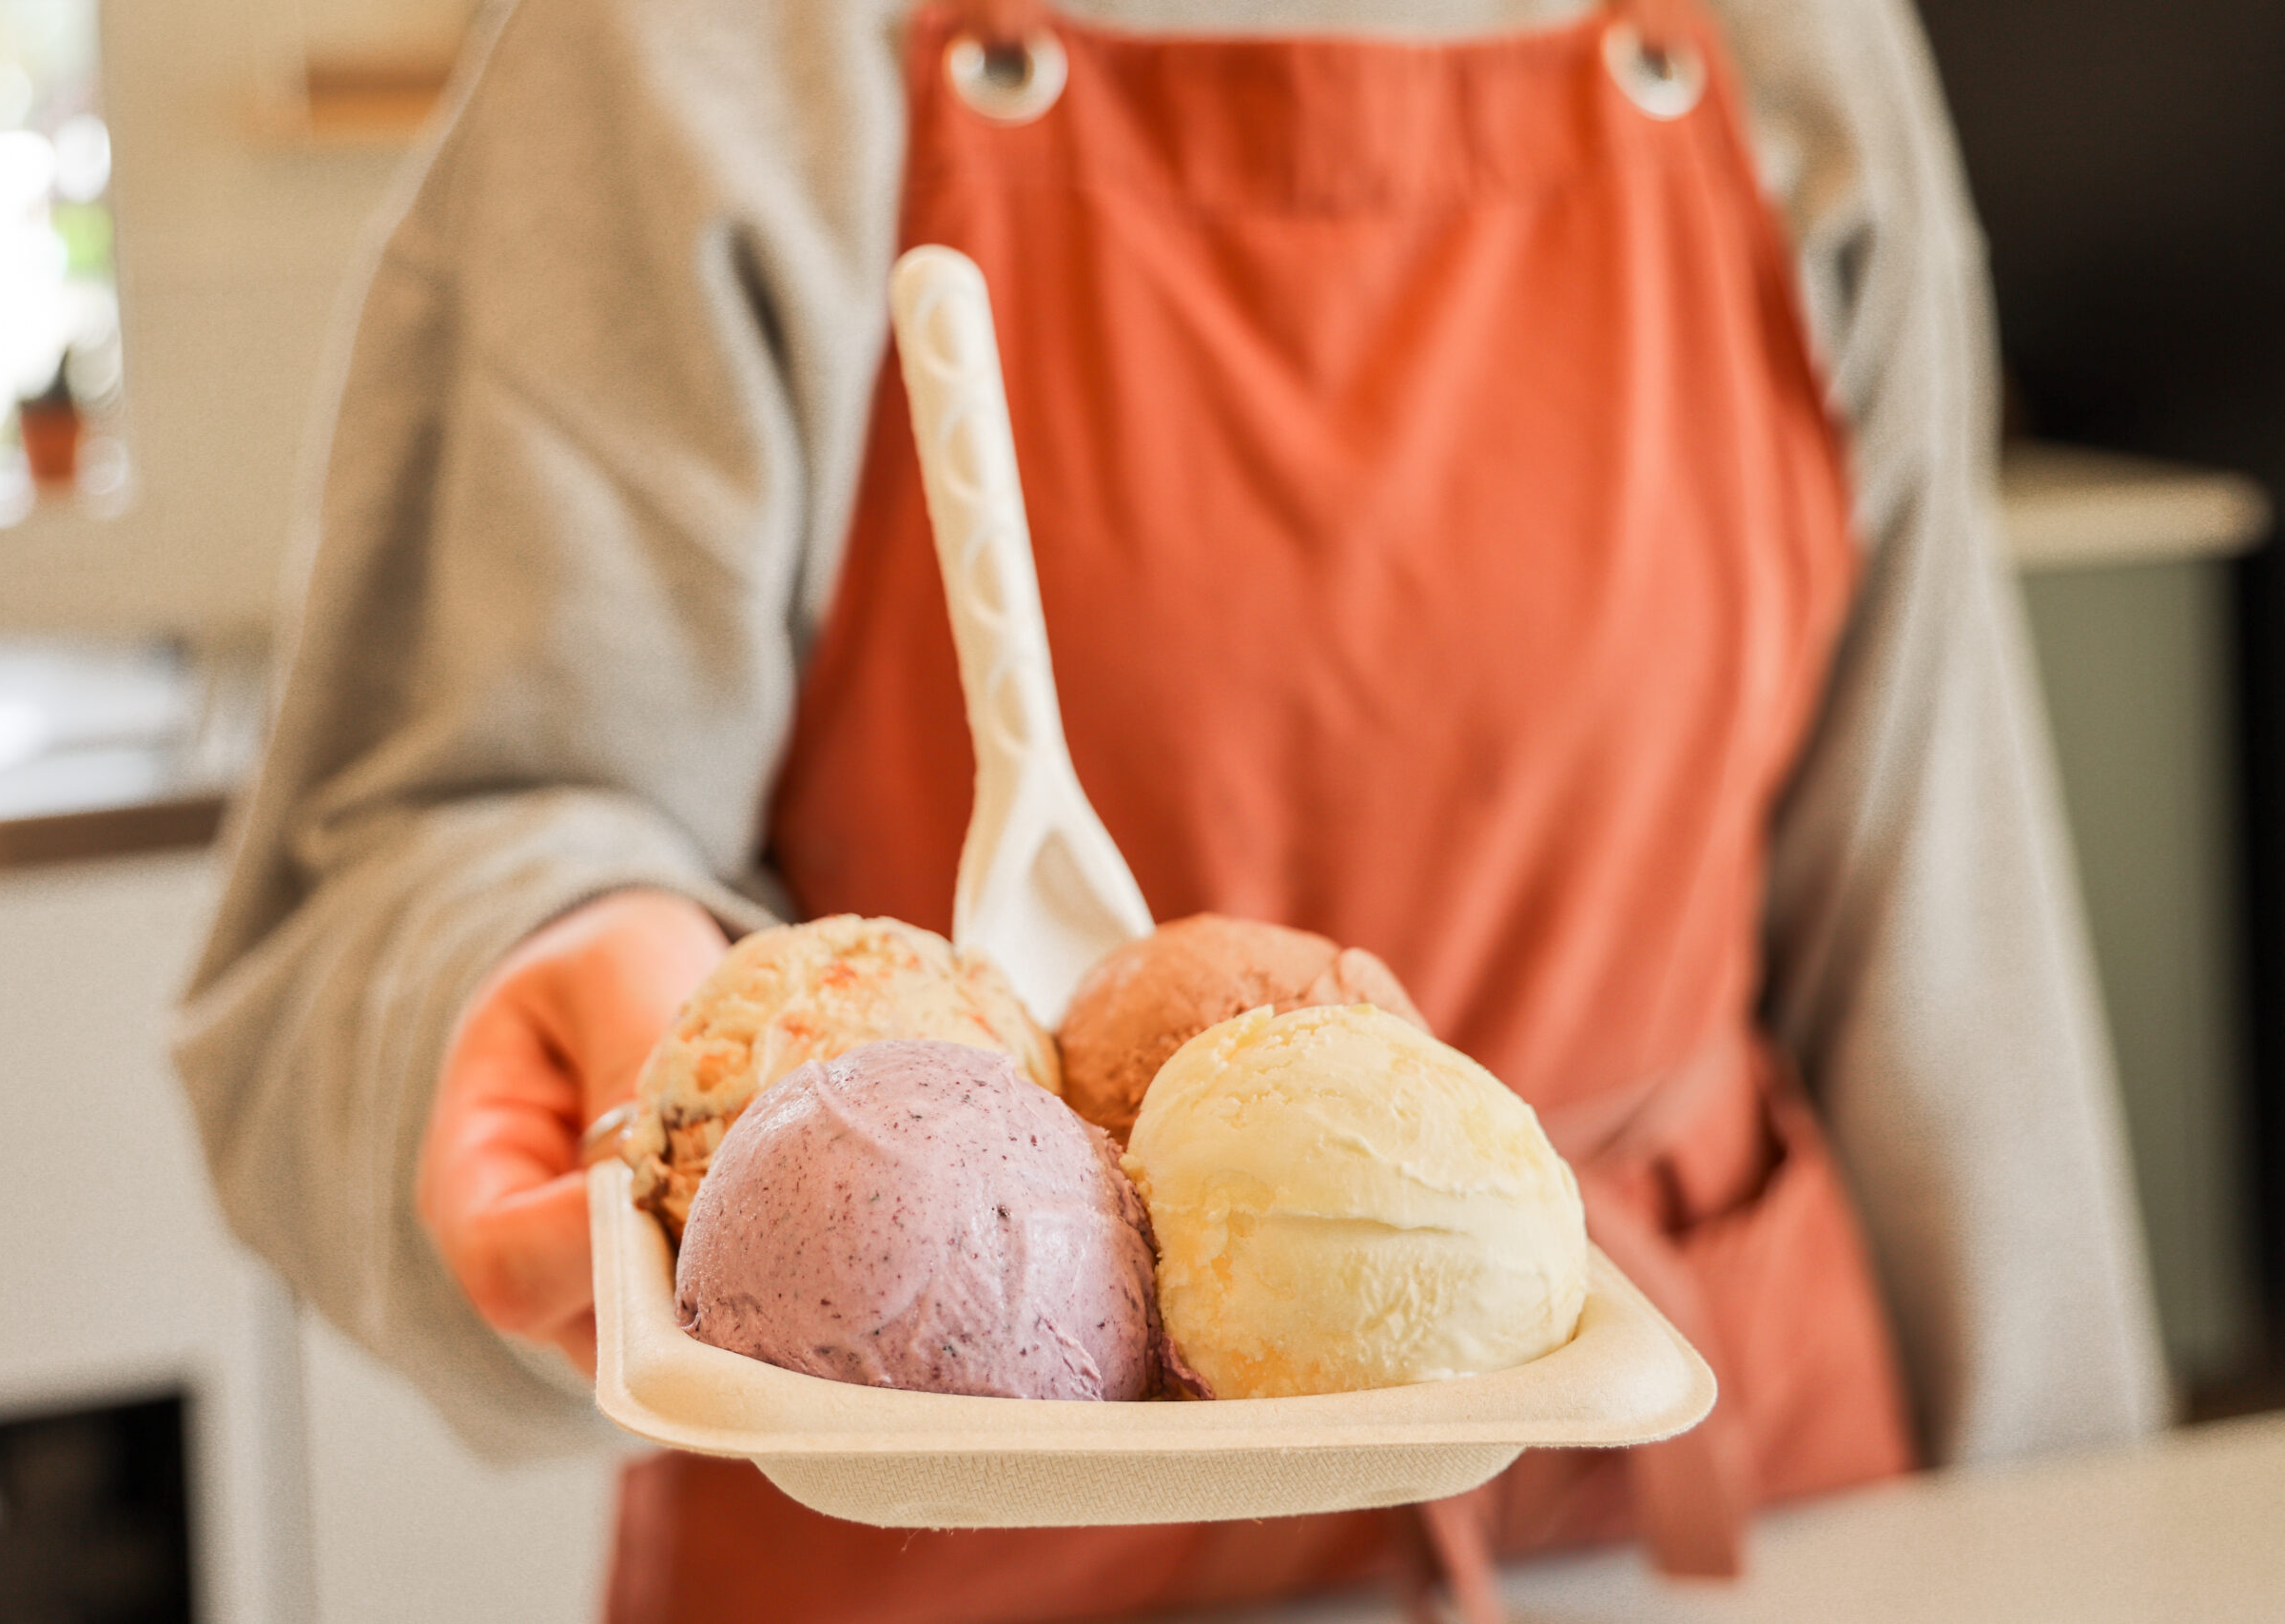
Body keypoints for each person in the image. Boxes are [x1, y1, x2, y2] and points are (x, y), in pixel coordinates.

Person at [175, 0, 2169, 1617]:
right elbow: (418, 848)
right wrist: (556, 952)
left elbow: (1940, 934)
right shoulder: (688, 50)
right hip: (944, 1556)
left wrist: (2081, 1537)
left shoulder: (1790, 46)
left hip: (1707, 1528)